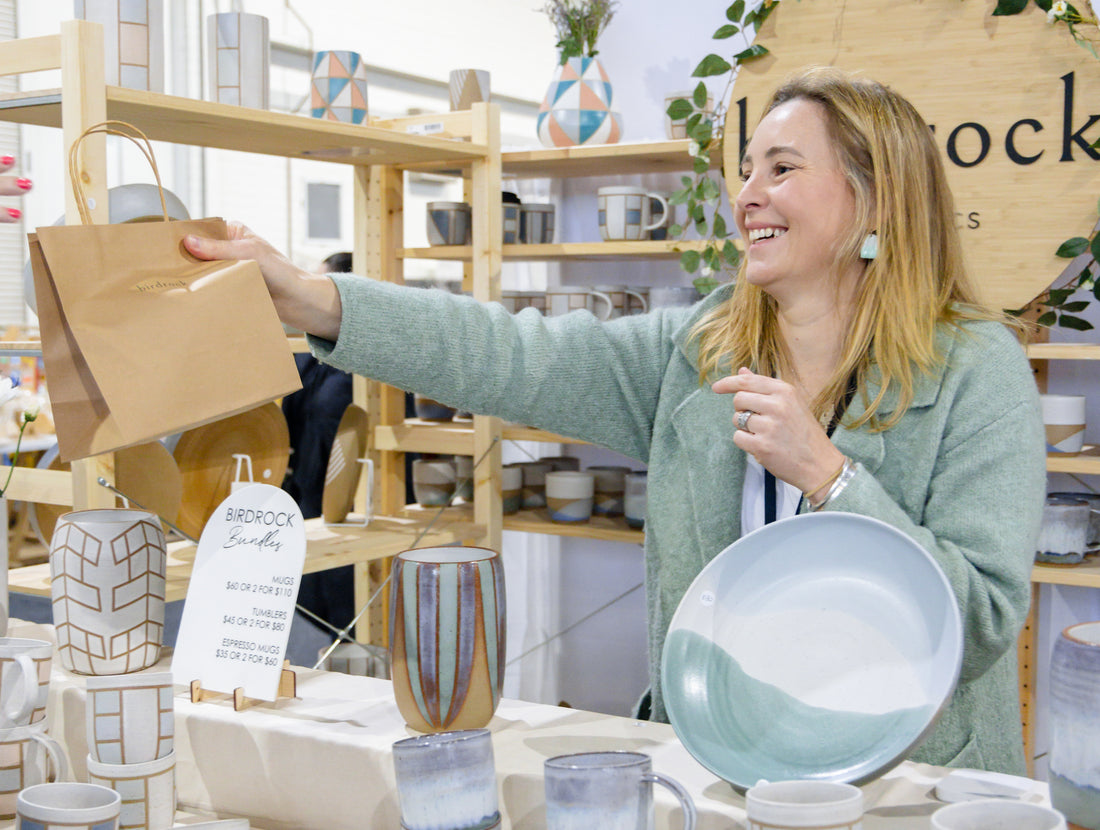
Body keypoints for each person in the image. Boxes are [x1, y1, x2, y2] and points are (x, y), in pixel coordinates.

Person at [183, 66, 1045, 774]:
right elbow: (506, 353)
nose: (748, 194)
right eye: (747, 170)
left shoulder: (976, 370)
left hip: (906, 783)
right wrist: (316, 301)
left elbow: (978, 621)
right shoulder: (697, 350)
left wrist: (830, 477)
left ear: (878, 199)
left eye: (782, 169)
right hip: (725, 767)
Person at [282, 251, 356, 635]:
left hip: (352, 510)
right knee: (315, 608)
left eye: (319, 285)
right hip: (306, 503)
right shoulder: (311, 353)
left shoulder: (365, 367)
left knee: (352, 613)